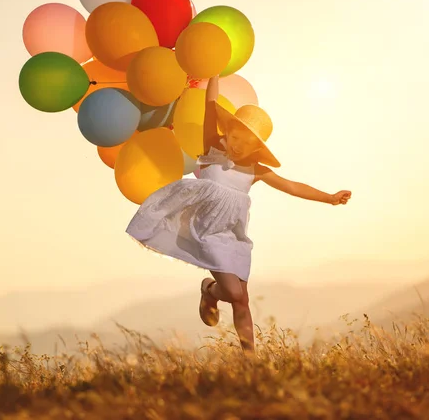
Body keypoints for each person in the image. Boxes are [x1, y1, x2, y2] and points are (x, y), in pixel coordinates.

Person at [126, 75, 352, 353]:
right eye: (233, 137)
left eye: (244, 143)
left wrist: (328, 198)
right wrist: (213, 74)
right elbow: (210, 106)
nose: (236, 145)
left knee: (241, 299)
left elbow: (291, 186)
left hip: (233, 235)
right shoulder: (213, 147)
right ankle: (210, 290)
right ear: (226, 131)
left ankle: (250, 362)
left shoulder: (256, 170)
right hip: (206, 231)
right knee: (234, 293)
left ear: (257, 147)